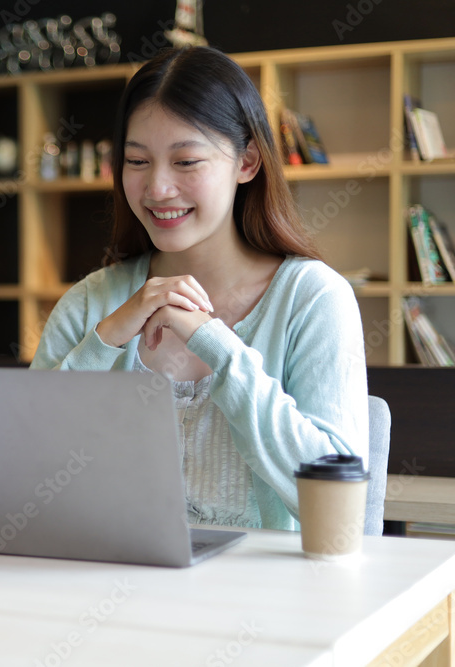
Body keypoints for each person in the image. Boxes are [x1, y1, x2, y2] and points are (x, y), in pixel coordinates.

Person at [30, 46, 368, 531]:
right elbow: (22, 475)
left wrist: (219, 347)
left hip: (262, 602)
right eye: (136, 160)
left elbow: (340, 510)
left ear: (247, 161)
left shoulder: (313, 299)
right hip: (106, 591)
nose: (157, 188)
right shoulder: (90, 303)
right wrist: (103, 342)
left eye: (186, 161)